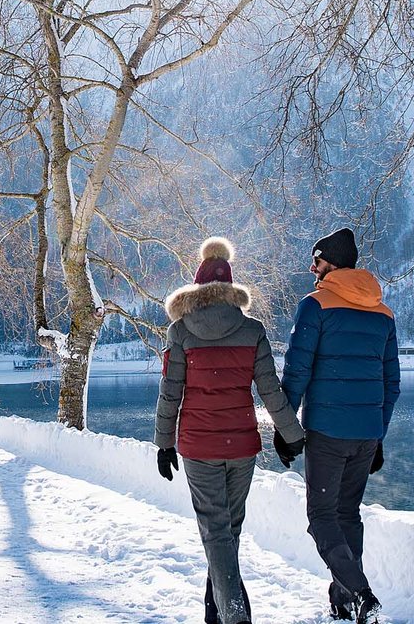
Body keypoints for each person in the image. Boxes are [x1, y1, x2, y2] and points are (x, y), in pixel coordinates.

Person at [154, 237, 306, 624]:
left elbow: (171, 391)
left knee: (217, 532)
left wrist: (163, 443)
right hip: (241, 446)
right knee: (228, 531)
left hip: (199, 446)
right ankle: (216, 610)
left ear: (198, 287)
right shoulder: (251, 330)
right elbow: (269, 388)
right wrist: (292, 432)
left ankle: (234, 616)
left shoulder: (181, 331)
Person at [278, 227, 399, 623]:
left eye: (316, 260)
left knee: (322, 518)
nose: (311, 267)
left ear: (332, 263)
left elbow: (297, 372)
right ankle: (343, 602)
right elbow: (390, 383)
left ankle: (361, 594)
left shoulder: (316, 305)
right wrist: (378, 432)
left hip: (327, 432)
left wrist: (286, 429)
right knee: (348, 514)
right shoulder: (383, 312)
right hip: (366, 433)